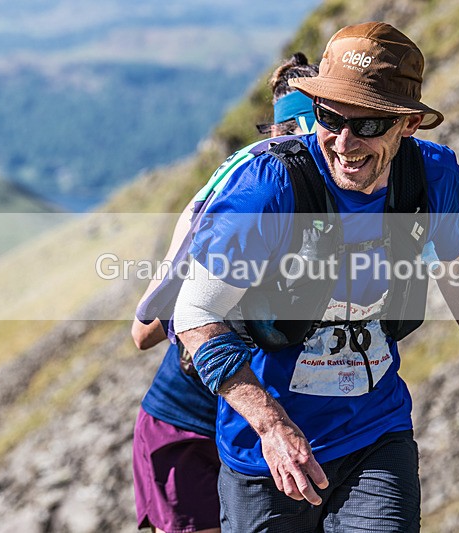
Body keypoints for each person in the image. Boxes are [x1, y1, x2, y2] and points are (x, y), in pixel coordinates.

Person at [174, 22, 459, 533]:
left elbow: (458, 271)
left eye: (369, 124)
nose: (345, 142)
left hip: (376, 435)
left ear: (408, 123)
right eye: (330, 118)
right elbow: (194, 312)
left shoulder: (430, 176)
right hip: (267, 457)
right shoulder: (270, 188)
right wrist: (272, 426)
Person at [130, 53, 319, 533]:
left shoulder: (319, 198)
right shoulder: (250, 192)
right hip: (188, 428)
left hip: (253, 431)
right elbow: (144, 331)